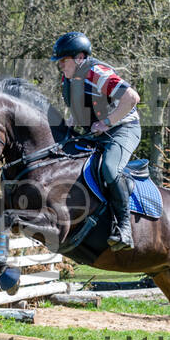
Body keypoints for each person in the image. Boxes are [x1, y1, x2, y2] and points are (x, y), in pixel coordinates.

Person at [51, 31, 141, 251]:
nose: (60, 65)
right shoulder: (69, 79)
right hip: (95, 133)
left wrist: (108, 122)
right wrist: (74, 120)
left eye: (64, 60)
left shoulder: (97, 73)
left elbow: (132, 98)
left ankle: (124, 228)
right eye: (59, 61)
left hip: (123, 129)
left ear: (80, 58)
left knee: (110, 169)